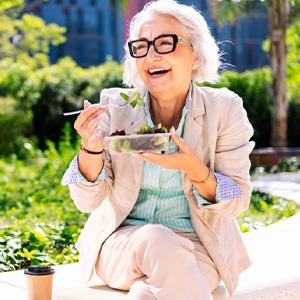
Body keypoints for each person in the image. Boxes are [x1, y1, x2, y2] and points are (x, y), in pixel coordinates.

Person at [62, 0, 255, 299]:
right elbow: (88, 202)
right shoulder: (118, 109)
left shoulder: (225, 109)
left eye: (165, 43)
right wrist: (91, 149)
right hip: (122, 245)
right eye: (141, 46)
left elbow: (238, 200)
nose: (151, 55)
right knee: (156, 239)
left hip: (197, 247)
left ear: (196, 55)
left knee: (144, 295)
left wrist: (196, 170)